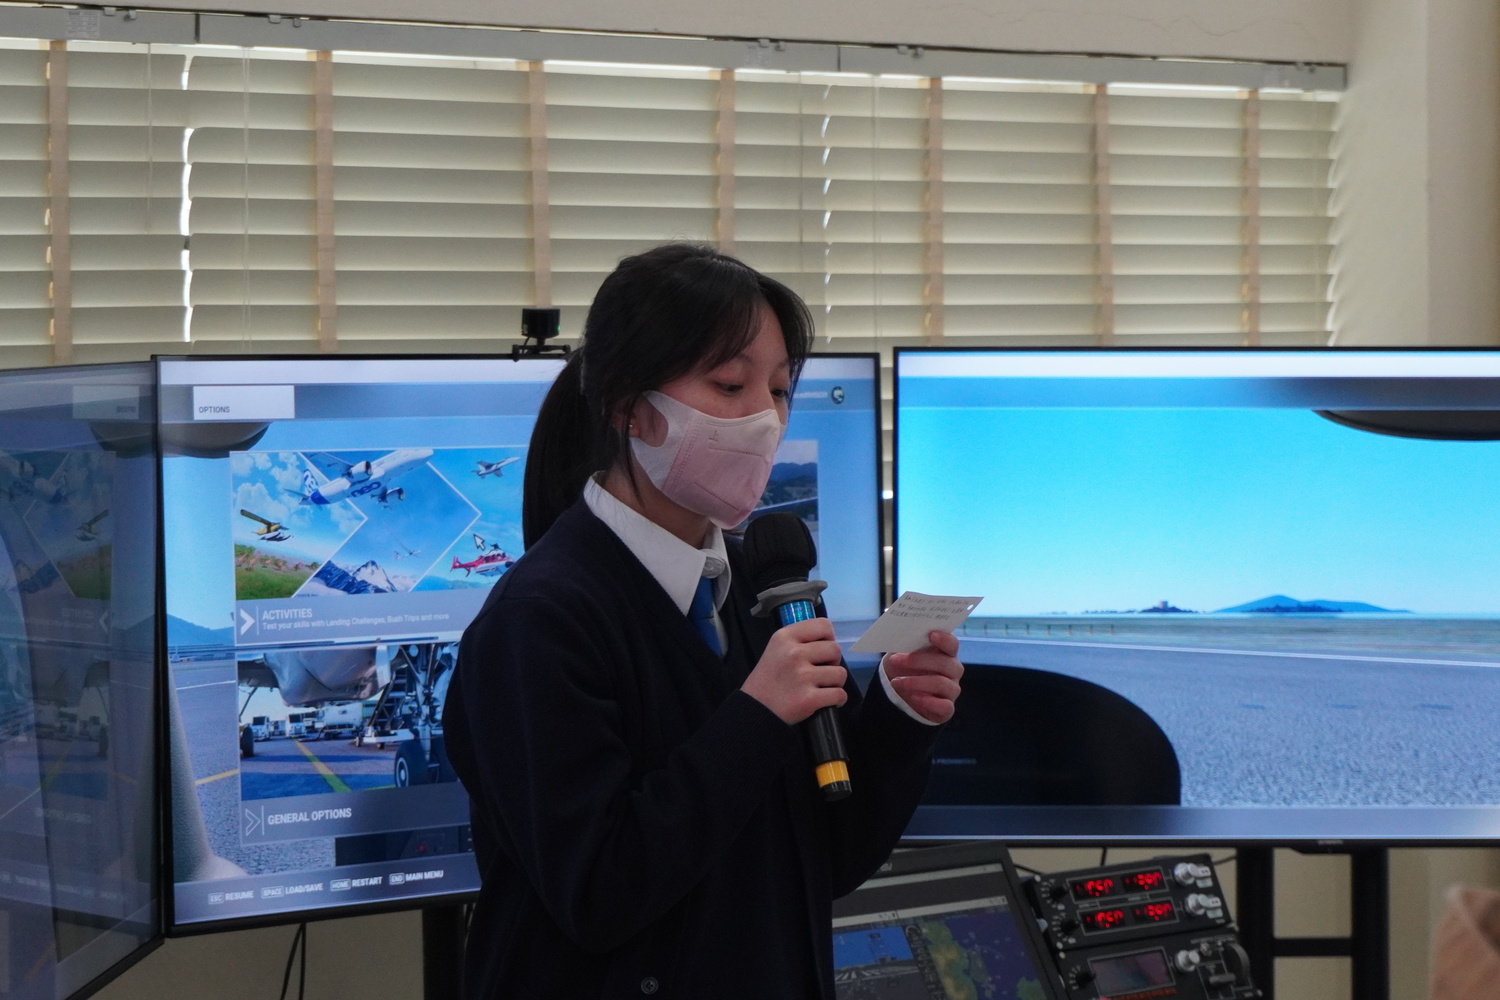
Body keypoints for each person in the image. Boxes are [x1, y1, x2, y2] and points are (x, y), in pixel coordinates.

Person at [443, 243, 964, 1000]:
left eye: (779, 391)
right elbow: (598, 892)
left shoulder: (767, 584)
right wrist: (756, 716)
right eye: (729, 385)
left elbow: (826, 858)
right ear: (627, 405)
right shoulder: (538, 622)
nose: (764, 419)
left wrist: (896, 717)